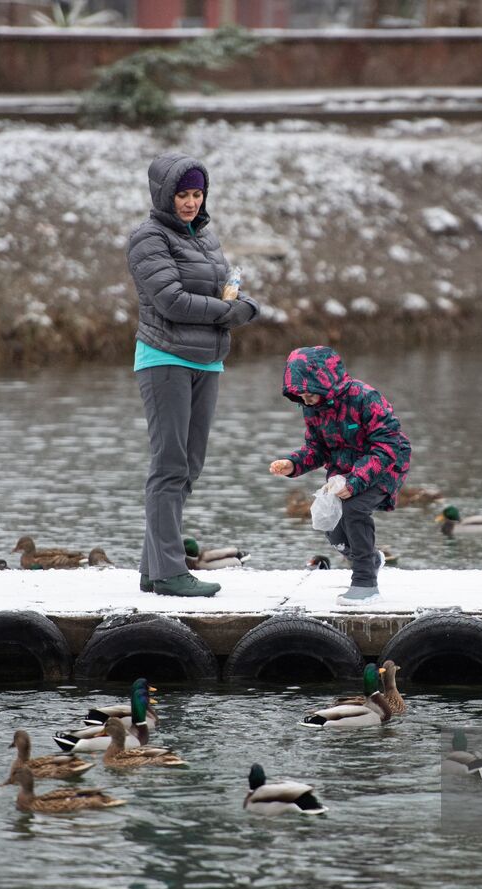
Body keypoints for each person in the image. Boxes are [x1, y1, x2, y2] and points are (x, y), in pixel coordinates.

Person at [128, 153, 259, 597]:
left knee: (190, 465)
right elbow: (172, 302)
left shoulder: (205, 237)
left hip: (207, 360)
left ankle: (152, 567)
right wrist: (229, 312)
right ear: (165, 194)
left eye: (196, 193)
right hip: (165, 358)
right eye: (182, 194)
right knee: (168, 465)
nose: (189, 202)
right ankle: (168, 571)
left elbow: (224, 290)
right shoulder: (148, 238)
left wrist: (245, 306)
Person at [268, 346, 412, 606]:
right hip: (343, 470)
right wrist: (293, 463)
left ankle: (365, 584)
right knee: (327, 516)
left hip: (386, 465)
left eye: (310, 395)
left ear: (326, 384)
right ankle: (369, 558)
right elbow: (317, 449)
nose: (307, 401)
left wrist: (356, 482)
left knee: (354, 508)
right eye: (301, 397)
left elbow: (387, 445)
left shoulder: (365, 397)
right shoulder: (311, 406)